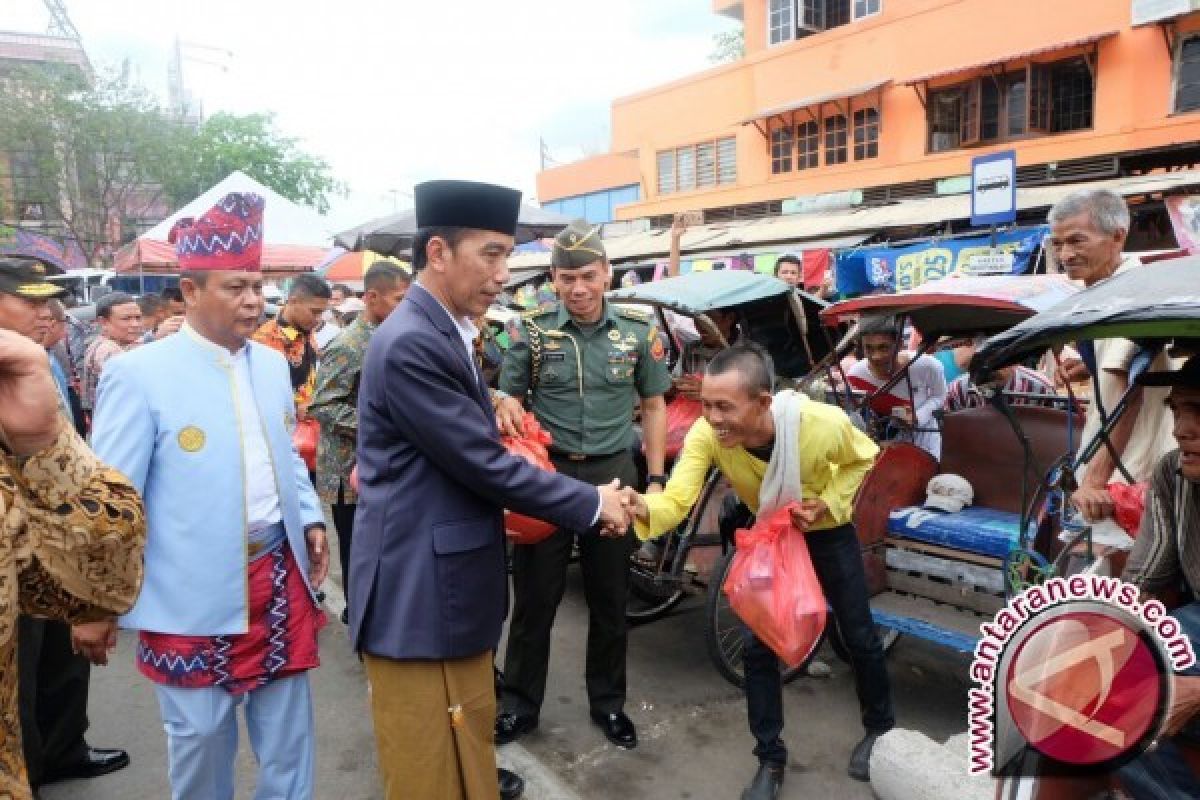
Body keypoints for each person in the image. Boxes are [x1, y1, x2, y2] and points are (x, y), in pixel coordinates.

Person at [350, 180, 634, 800]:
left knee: (465, 748)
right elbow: (482, 464)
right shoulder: (412, 342)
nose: (504, 274)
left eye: (508, 256)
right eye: (492, 254)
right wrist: (591, 503)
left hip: (446, 579)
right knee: (428, 764)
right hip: (418, 591)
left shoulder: (444, 327)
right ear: (439, 251)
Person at [91, 192, 329, 800]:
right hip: (185, 591)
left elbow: (286, 458)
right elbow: (111, 503)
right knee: (199, 742)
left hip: (276, 576)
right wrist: (93, 602)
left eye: (256, 285)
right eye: (234, 287)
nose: (252, 300)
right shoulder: (138, 373)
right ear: (190, 292)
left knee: (288, 741)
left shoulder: (273, 365)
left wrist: (309, 520)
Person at [624, 342, 892, 797]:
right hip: (769, 533)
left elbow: (864, 457)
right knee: (757, 648)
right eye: (707, 405)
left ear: (764, 402)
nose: (712, 417)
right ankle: (770, 757)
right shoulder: (708, 435)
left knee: (859, 633)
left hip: (827, 530)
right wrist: (639, 508)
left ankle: (881, 731)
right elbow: (677, 500)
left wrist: (827, 503)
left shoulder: (820, 425)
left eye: (724, 407)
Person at [494, 220, 671, 751]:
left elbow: (656, 404)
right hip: (548, 479)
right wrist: (506, 416)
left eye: (588, 276)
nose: (578, 289)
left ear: (607, 274)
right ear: (552, 278)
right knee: (534, 600)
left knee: (610, 598)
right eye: (567, 277)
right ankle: (520, 705)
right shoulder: (531, 329)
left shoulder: (640, 331)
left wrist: (658, 479)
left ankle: (609, 704)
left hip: (614, 474)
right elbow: (511, 401)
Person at [0, 259, 134, 795]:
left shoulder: (37, 359)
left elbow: (91, 493)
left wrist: (88, 596)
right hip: (26, 547)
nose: (47, 312)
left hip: (43, 545)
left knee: (51, 666)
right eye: (30, 301)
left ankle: (55, 753)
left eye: (49, 302)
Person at [1049, 188, 1178, 522]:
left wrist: (1095, 480)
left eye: (1077, 241)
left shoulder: (1127, 298)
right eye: (1058, 244)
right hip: (1122, 472)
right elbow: (1131, 365)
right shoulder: (1102, 294)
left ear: (1118, 237)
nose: (1065, 254)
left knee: (1119, 569)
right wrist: (1090, 367)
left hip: (1126, 476)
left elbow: (1130, 395)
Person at [1115, 355, 1200, 798]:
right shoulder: (1173, 473)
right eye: (1177, 410)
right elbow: (1142, 577)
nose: (1181, 428)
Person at [309, 262, 410, 626]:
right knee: (359, 553)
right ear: (372, 298)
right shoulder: (350, 345)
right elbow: (322, 405)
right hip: (348, 472)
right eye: (399, 299)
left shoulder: (390, 336)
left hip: (381, 466)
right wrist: (382, 426)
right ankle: (362, 621)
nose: (406, 306)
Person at [846, 315, 946, 460]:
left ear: (899, 345)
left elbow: (940, 395)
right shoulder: (856, 375)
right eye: (869, 348)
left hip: (926, 441)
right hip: (883, 448)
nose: (876, 356)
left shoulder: (927, 366)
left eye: (883, 347)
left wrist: (918, 416)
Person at [252, 272, 332, 418]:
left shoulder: (305, 329)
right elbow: (261, 398)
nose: (318, 319)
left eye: (321, 313)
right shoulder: (265, 341)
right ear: (293, 301)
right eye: (314, 312)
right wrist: (296, 408)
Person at [943, 336, 1059, 412]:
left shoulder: (1040, 389)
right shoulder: (956, 391)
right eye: (983, 357)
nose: (990, 366)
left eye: (1000, 357)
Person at [81, 292, 142, 414]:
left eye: (138, 318)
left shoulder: (122, 344)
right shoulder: (107, 350)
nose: (135, 324)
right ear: (103, 322)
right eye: (126, 319)